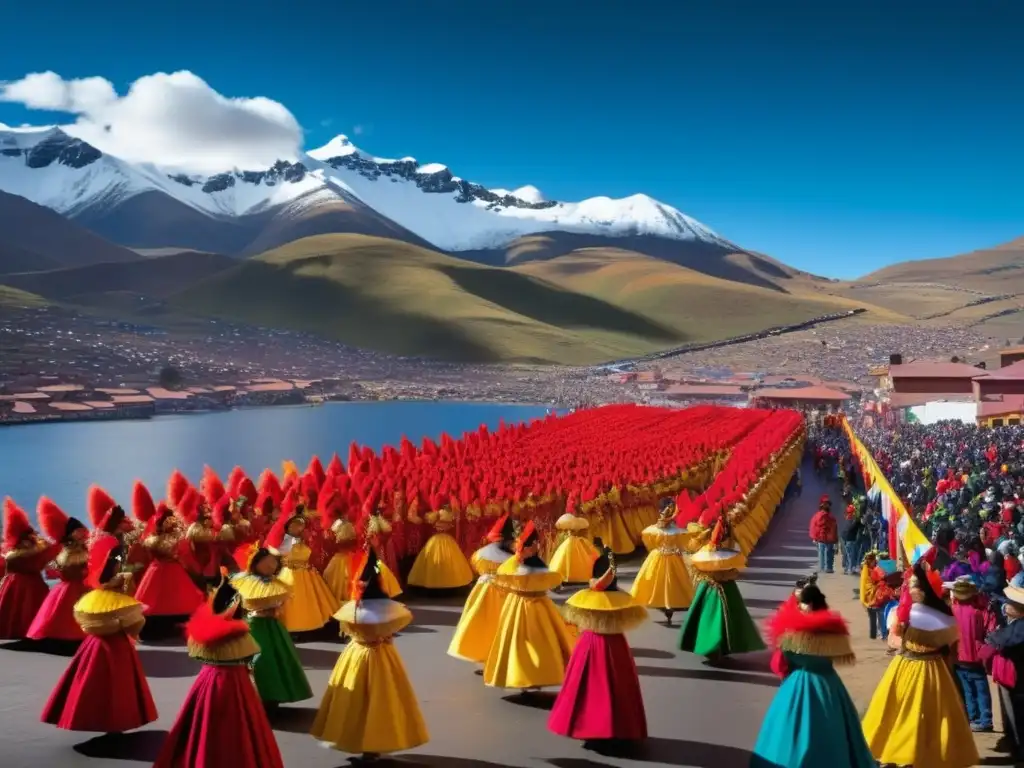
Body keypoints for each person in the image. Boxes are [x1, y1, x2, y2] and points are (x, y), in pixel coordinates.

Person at [310, 548, 429, 760]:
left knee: (355, 699)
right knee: (382, 698)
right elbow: (395, 624)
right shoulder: (390, 611)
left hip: (357, 654)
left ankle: (359, 739)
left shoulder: (353, 611)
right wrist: (385, 636)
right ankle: (374, 741)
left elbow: (349, 625)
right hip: (382, 656)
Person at [153, 577, 284, 768]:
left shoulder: (202, 631)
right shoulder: (238, 635)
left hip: (208, 680)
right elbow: (252, 655)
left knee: (205, 723)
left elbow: (198, 655)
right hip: (235, 682)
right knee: (237, 725)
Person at [861, 559, 980, 768]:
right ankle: (900, 754)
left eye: (916, 586)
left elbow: (952, 646)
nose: (912, 590)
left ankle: (924, 755)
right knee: (900, 712)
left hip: (933, 670)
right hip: (905, 666)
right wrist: (908, 643)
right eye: (911, 586)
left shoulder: (942, 615)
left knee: (929, 716)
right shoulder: (905, 614)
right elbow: (893, 638)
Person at [751, 580, 874, 768]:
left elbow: (781, 663)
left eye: (802, 602)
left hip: (799, 684)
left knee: (789, 733)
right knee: (836, 731)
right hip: (829, 686)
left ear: (807, 604)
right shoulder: (834, 633)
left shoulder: (792, 635)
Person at [41, 535, 158, 733]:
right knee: (116, 684)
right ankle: (113, 719)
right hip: (116, 642)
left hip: (97, 640)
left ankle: (91, 715)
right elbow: (134, 622)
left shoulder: (97, 590)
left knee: (93, 680)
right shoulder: (113, 577)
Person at [549, 541, 648, 743]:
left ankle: (595, 725)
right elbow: (600, 582)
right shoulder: (602, 566)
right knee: (616, 681)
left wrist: (603, 577)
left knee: (591, 681)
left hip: (593, 641)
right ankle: (611, 725)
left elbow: (600, 583)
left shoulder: (601, 566)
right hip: (610, 642)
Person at [483, 520, 576, 690]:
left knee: (533, 642)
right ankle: (525, 676)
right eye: (532, 545)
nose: (534, 547)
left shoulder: (528, 564)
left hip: (526, 606)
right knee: (523, 643)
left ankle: (534, 676)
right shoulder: (525, 564)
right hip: (528, 606)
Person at [231, 545, 312, 708]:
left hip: (273, 626)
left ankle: (274, 696)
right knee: (261, 661)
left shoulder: (278, 583)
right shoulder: (243, 581)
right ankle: (258, 697)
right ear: (255, 563)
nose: (271, 566)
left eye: (274, 563)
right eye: (267, 563)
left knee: (278, 660)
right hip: (254, 626)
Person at [678, 514, 765, 659]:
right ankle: (711, 644)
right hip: (712, 588)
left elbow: (735, 567)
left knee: (728, 619)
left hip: (722, 587)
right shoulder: (706, 550)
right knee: (711, 618)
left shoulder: (730, 550)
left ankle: (722, 645)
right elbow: (698, 564)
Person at [448, 514, 515, 664]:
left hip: (483, 592)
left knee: (483, 625)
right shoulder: (512, 558)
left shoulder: (480, 555)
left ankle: (486, 655)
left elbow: (475, 566)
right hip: (507, 593)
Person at [266, 504, 339, 633]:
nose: (300, 527)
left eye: (302, 524)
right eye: (297, 525)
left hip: (307, 574)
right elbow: (277, 551)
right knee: (294, 602)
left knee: (310, 602)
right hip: (291, 575)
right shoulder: (288, 541)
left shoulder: (302, 540)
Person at [27, 497, 90, 643]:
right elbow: (65, 569)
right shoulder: (67, 551)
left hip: (80, 586)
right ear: (71, 533)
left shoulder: (82, 547)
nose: (81, 533)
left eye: (82, 530)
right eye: (78, 531)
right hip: (70, 587)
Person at [133, 502, 206, 625]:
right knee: (163, 598)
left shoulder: (172, 538)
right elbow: (176, 554)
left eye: (172, 520)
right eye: (167, 521)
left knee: (166, 597)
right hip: (161, 570)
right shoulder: (158, 540)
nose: (171, 523)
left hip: (163, 569)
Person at [0, 497, 60, 639]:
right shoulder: (16, 555)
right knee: (20, 609)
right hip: (21, 584)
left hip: (26, 583)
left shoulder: (31, 551)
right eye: (28, 538)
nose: (31, 539)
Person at [630, 497, 694, 626]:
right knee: (674, 582)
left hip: (658, 556)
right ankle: (669, 606)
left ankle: (665, 605)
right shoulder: (677, 532)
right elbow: (683, 545)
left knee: (658, 582)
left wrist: (658, 548)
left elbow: (649, 543)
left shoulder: (652, 531)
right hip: (673, 558)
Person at [980, 581, 1024, 761]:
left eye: (1011, 605)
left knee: (1018, 717)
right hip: (1017, 678)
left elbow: (999, 640)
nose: (1007, 607)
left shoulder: (1019, 627)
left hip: (1018, 679)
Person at [948, 576, 995, 732]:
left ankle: (972, 717)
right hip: (976, 656)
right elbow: (990, 630)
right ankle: (985, 719)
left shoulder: (952, 611)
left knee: (967, 689)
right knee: (981, 690)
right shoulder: (979, 612)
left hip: (958, 656)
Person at [407, 492, 475, 590]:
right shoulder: (450, 513)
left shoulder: (433, 515)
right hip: (447, 540)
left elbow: (425, 521)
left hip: (435, 540)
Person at [548, 492, 598, 585]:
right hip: (573, 540)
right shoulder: (574, 517)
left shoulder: (577, 518)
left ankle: (569, 574)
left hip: (573, 540)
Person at [809, 496, 837, 574]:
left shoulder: (819, 515)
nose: (827, 505)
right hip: (825, 539)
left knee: (823, 553)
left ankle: (824, 568)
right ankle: (827, 568)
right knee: (826, 553)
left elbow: (813, 527)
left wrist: (814, 538)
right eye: (826, 504)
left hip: (825, 539)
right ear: (822, 505)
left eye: (828, 504)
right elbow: (815, 527)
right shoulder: (825, 516)